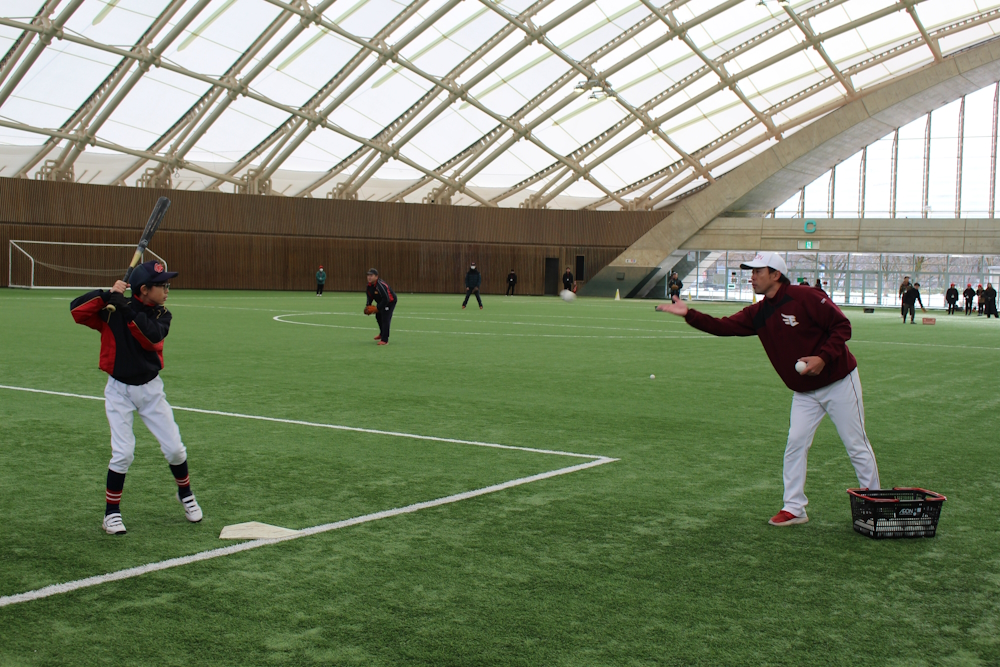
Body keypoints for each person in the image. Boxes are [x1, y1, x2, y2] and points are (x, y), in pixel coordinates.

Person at [655, 252, 879, 526]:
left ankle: (874, 506)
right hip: (804, 392)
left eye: (757, 272)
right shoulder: (759, 312)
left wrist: (822, 358)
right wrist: (689, 314)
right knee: (795, 444)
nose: (751, 277)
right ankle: (794, 508)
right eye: (751, 272)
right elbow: (724, 326)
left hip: (839, 382)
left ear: (775, 274)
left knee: (855, 444)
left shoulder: (805, 296)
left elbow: (842, 326)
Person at [69, 260, 203, 535]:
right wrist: (107, 295)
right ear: (144, 289)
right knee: (123, 453)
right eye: (162, 286)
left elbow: (151, 339)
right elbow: (77, 311)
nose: (167, 290)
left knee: (175, 449)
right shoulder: (112, 310)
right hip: (118, 391)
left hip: (151, 391)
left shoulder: (161, 314)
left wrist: (126, 308)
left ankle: (185, 493)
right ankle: (111, 514)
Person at [365, 269, 397, 345]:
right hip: (381, 301)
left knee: (385, 318)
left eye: (371, 275)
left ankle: (385, 340)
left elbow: (386, 299)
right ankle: (382, 333)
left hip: (390, 302)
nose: (369, 277)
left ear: (376, 277)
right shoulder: (369, 286)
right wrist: (368, 305)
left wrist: (378, 308)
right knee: (378, 316)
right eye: (368, 275)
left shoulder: (380, 285)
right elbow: (369, 297)